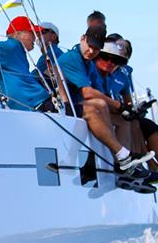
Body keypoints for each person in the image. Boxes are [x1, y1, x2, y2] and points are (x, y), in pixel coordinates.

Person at [57, 25, 152, 177]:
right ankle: (122, 156)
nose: (91, 51)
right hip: (63, 105)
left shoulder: (88, 62)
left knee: (124, 119)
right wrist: (118, 105)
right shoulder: (72, 59)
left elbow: (99, 93)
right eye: (90, 46)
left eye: (96, 49)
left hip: (79, 106)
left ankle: (123, 163)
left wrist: (125, 110)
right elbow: (87, 93)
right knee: (100, 106)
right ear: (82, 39)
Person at [112, 39, 158, 183]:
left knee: (149, 126)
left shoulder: (123, 73)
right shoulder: (105, 68)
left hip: (121, 110)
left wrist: (135, 109)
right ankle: (146, 166)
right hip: (112, 111)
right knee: (134, 124)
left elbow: (127, 98)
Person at [0, 15, 54, 111]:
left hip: (37, 106)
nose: (36, 36)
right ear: (18, 33)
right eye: (32, 32)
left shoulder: (18, 51)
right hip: (39, 105)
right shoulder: (10, 46)